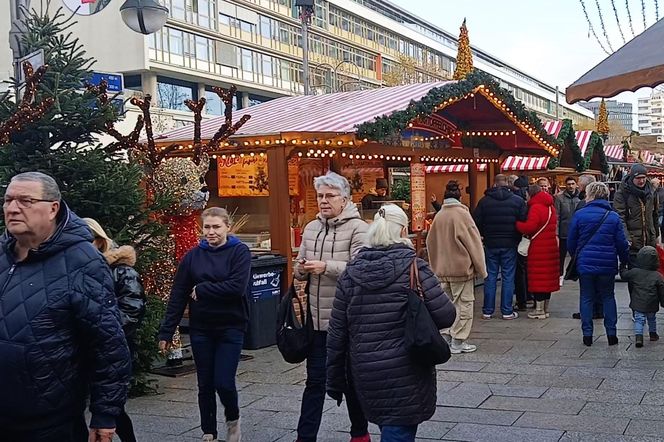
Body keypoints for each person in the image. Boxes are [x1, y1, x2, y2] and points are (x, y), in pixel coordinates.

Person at [0, 172, 131, 442]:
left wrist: (104, 413)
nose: (12, 208)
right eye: (8, 200)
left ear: (53, 208)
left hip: (47, 421)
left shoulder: (82, 262)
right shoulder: (1, 254)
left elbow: (108, 343)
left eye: (25, 200)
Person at [327, 204, 456, 442]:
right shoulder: (414, 267)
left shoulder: (350, 273)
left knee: (389, 426)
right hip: (408, 367)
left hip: (365, 369)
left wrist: (334, 379)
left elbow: (337, 332)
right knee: (398, 430)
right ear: (403, 231)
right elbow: (446, 315)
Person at [159, 207, 251, 442]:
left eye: (216, 227)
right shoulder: (192, 257)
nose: (211, 232)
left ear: (227, 227)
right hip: (202, 328)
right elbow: (178, 295)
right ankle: (208, 430)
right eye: (207, 227)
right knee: (205, 383)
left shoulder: (239, 252)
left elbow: (236, 287)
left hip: (231, 327)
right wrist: (167, 331)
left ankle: (233, 420)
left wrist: (202, 289)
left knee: (224, 382)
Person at [294, 172, 370, 442]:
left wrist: (327, 267)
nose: (323, 201)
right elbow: (299, 265)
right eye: (320, 196)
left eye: (329, 196)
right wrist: (301, 271)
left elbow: (362, 269)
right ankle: (305, 437)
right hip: (316, 321)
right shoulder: (312, 228)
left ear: (345, 199)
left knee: (350, 382)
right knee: (314, 382)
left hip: (347, 321)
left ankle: (360, 434)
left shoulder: (359, 228)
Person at [84, 218, 146, 442]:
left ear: (99, 241)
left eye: (87, 240)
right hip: (80, 350)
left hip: (112, 348)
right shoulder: (75, 270)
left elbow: (132, 309)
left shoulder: (121, 271)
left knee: (112, 408)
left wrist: (102, 332)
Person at [427, 180, 486, 353]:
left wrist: (434, 264)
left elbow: (430, 242)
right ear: (460, 197)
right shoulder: (462, 215)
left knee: (446, 305)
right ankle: (459, 340)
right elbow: (473, 243)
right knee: (464, 304)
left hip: (441, 269)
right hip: (461, 268)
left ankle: (446, 335)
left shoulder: (439, 216)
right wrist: (481, 268)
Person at [568, 182, 630, 346]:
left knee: (586, 297)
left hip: (585, 263)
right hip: (607, 264)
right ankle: (611, 334)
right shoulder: (613, 217)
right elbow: (621, 243)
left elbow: (571, 241)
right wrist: (624, 260)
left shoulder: (580, 215)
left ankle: (587, 335)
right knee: (608, 297)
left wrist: (577, 255)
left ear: (590, 195)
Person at [473, 174, 527, 320]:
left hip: (491, 243)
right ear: (508, 183)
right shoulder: (518, 201)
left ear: (494, 184)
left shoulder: (484, 201)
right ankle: (507, 310)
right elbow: (523, 221)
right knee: (508, 277)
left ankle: (487, 310)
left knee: (490, 276)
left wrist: (484, 234)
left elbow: (476, 221)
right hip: (510, 243)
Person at [516, 184, 560, 319]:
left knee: (538, 278)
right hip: (551, 246)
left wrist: (517, 224)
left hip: (538, 247)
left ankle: (539, 310)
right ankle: (545, 308)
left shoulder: (536, 207)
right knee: (548, 278)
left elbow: (530, 227)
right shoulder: (550, 207)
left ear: (530, 194)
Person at [571, 174, 603, 320]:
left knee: (587, 288)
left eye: (578, 183)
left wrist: (575, 253)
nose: (577, 185)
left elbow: (574, 234)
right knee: (601, 287)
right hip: (602, 254)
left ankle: (588, 312)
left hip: (586, 253)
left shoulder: (582, 206)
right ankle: (599, 310)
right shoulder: (608, 210)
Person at [620, 246, 664, 348]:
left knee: (639, 319)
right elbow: (662, 291)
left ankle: (639, 337)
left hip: (638, 302)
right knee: (652, 319)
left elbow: (624, 275)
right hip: (652, 303)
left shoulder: (635, 272)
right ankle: (653, 334)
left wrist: (622, 267)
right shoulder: (658, 276)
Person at [613, 163, 659, 262]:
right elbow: (620, 218)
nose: (641, 181)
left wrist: (656, 234)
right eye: (638, 178)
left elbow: (654, 214)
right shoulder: (622, 194)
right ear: (632, 177)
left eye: (643, 177)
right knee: (635, 272)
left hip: (650, 241)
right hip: (633, 243)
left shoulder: (651, 192)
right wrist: (627, 238)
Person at [554, 177, 580, 287]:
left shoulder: (581, 198)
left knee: (577, 255)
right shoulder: (559, 198)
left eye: (572, 184)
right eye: (568, 184)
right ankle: (560, 275)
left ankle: (576, 274)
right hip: (564, 232)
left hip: (577, 232)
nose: (570, 186)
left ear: (576, 185)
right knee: (561, 257)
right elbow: (557, 217)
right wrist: (556, 233)